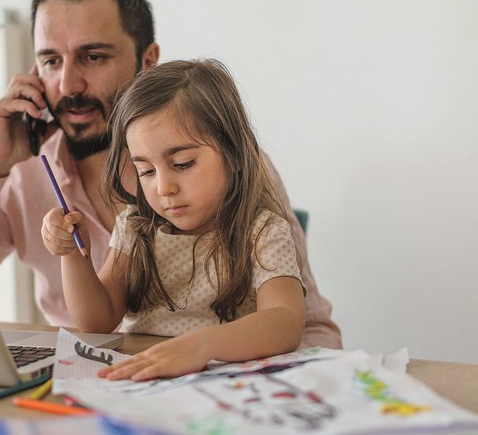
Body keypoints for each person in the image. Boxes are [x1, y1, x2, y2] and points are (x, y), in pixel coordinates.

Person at [0, 0, 341, 349]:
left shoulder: (241, 171)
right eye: (51, 61)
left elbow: (307, 327)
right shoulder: (25, 172)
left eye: (92, 57)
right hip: (107, 381)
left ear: (147, 61)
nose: (68, 85)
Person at [42, 59, 305, 380]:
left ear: (235, 154)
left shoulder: (261, 231)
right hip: (143, 380)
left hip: (223, 384)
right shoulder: (135, 228)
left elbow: (285, 320)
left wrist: (201, 346)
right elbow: (96, 323)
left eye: (182, 163)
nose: (164, 187)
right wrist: (72, 256)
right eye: (147, 171)